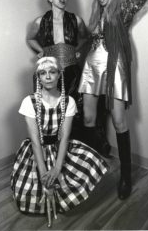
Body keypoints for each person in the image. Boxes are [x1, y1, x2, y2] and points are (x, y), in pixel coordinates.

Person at [78, 0, 148, 200]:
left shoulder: (123, 11)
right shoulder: (95, 18)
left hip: (114, 67)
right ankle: (86, 172)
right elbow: (85, 43)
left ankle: (125, 177)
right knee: (87, 118)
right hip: (91, 67)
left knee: (119, 121)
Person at [11, 57, 108, 227]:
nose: (48, 77)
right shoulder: (29, 102)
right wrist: (44, 176)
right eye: (43, 73)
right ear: (38, 77)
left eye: (52, 72)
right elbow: (35, 142)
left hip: (59, 148)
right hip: (38, 151)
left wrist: (57, 168)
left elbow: (65, 137)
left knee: (83, 167)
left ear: (59, 75)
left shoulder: (68, 102)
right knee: (34, 193)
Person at [27, 0, 111, 155]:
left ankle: (76, 152)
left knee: (75, 112)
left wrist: (78, 50)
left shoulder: (77, 20)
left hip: (72, 72)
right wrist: (40, 52)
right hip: (49, 73)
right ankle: (53, 153)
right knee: (51, 112)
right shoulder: (40, 21)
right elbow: (30, 39)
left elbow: (86, 38)